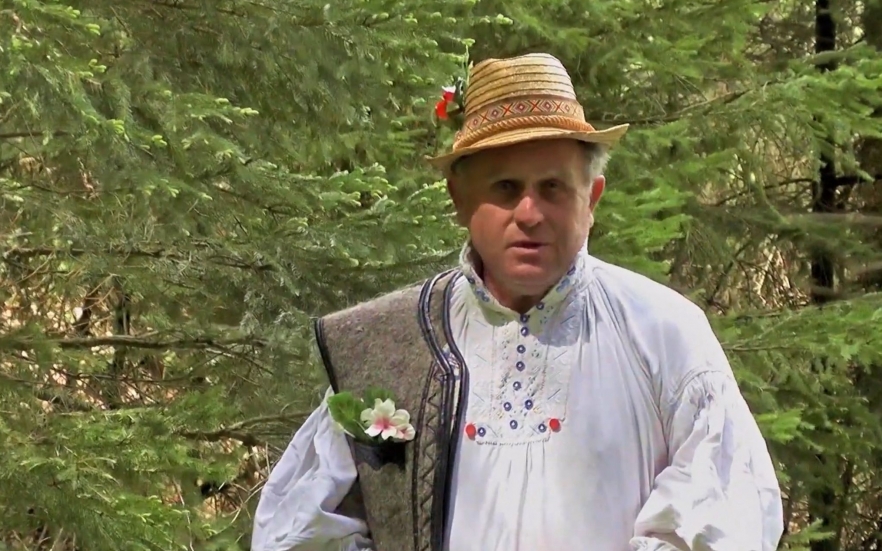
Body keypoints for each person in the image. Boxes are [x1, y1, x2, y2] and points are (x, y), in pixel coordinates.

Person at [251, 53, 784, 551]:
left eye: (553, 187)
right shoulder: (387, 343)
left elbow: (723, 515)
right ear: (460, 200)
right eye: (505, 188)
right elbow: (301, 531)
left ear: (592, 199)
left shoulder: (663, 332)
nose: (529, 213)